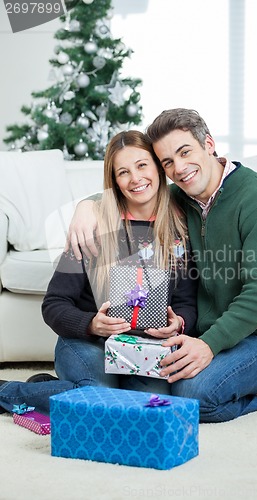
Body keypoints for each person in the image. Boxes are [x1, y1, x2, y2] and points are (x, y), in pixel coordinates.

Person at [65, 109, 257, 423]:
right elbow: (136, 193)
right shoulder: (183, 196)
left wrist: (207, 345)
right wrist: (87, 205)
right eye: (167, 162)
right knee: (160, 386)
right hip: (209, 332)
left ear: (209, 144)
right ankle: (239, 378)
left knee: (192, 397)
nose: (179, 169)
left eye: (185, 152)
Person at [0, 130, 197, 415]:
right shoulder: (90, 226)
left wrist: (178, 322)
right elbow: (54, 304)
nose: (136, 179)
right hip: (86, 343)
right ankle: (9, 391)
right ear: (114, 180)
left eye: (142, 165)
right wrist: (92, 324)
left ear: (158, 167)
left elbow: (187, 303)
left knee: (155, 408)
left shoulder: (179, 230)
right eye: (123, 172)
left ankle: (46, 387)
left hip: (145, 348)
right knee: (100, 399)